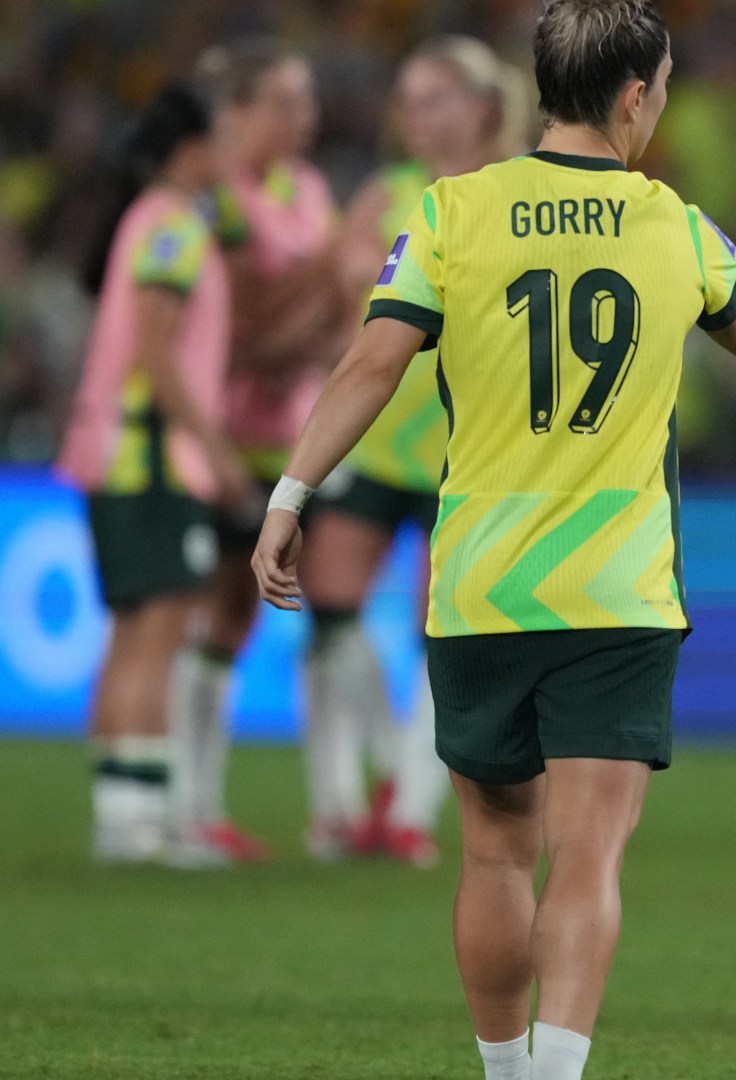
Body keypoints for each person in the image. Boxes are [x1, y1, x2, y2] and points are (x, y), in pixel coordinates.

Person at [250, 2, 736, 1077]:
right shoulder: (673, 225)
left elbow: (369, 366)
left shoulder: (449, 212)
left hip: (481, 586)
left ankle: (503, 1073)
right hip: (618, 593)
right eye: (660, 89)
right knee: (588, 860)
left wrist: (291, 494)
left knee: (494, 854)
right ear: (632, 96)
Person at [302, 35, 528, 869]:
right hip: (376, 432)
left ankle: (406, 809)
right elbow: (347, 300)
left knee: (446, 630)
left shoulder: (511, 194)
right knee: (330, 610)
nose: (416, 115)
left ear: (483, 105)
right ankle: (360, 789)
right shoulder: (387, 193)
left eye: (435, 98)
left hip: (468, 442)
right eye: (407, 100)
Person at [56, 86, 251, 864]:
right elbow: (156, 350)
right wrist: (216, 449)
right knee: (158, 636)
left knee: (131, 635)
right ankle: (143, 824)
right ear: (191, 149)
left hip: (116, 454)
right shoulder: (173, 226)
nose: (232, 155)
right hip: (153, 458)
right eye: (223, 139)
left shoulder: (150, 219)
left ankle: (122, 816)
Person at [172, 39, 356, 863]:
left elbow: (332, 315)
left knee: (325, 611)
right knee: (221, 615)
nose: (303, 118)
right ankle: (190, 806)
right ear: (237, 112)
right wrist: (328, 278)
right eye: (284, 102)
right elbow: (239, 328)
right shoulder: (216, 201)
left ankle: (336, 809)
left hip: (299, 436)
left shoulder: (306, 189)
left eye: (306, 101)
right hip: (226, 435)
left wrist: (312, 323)